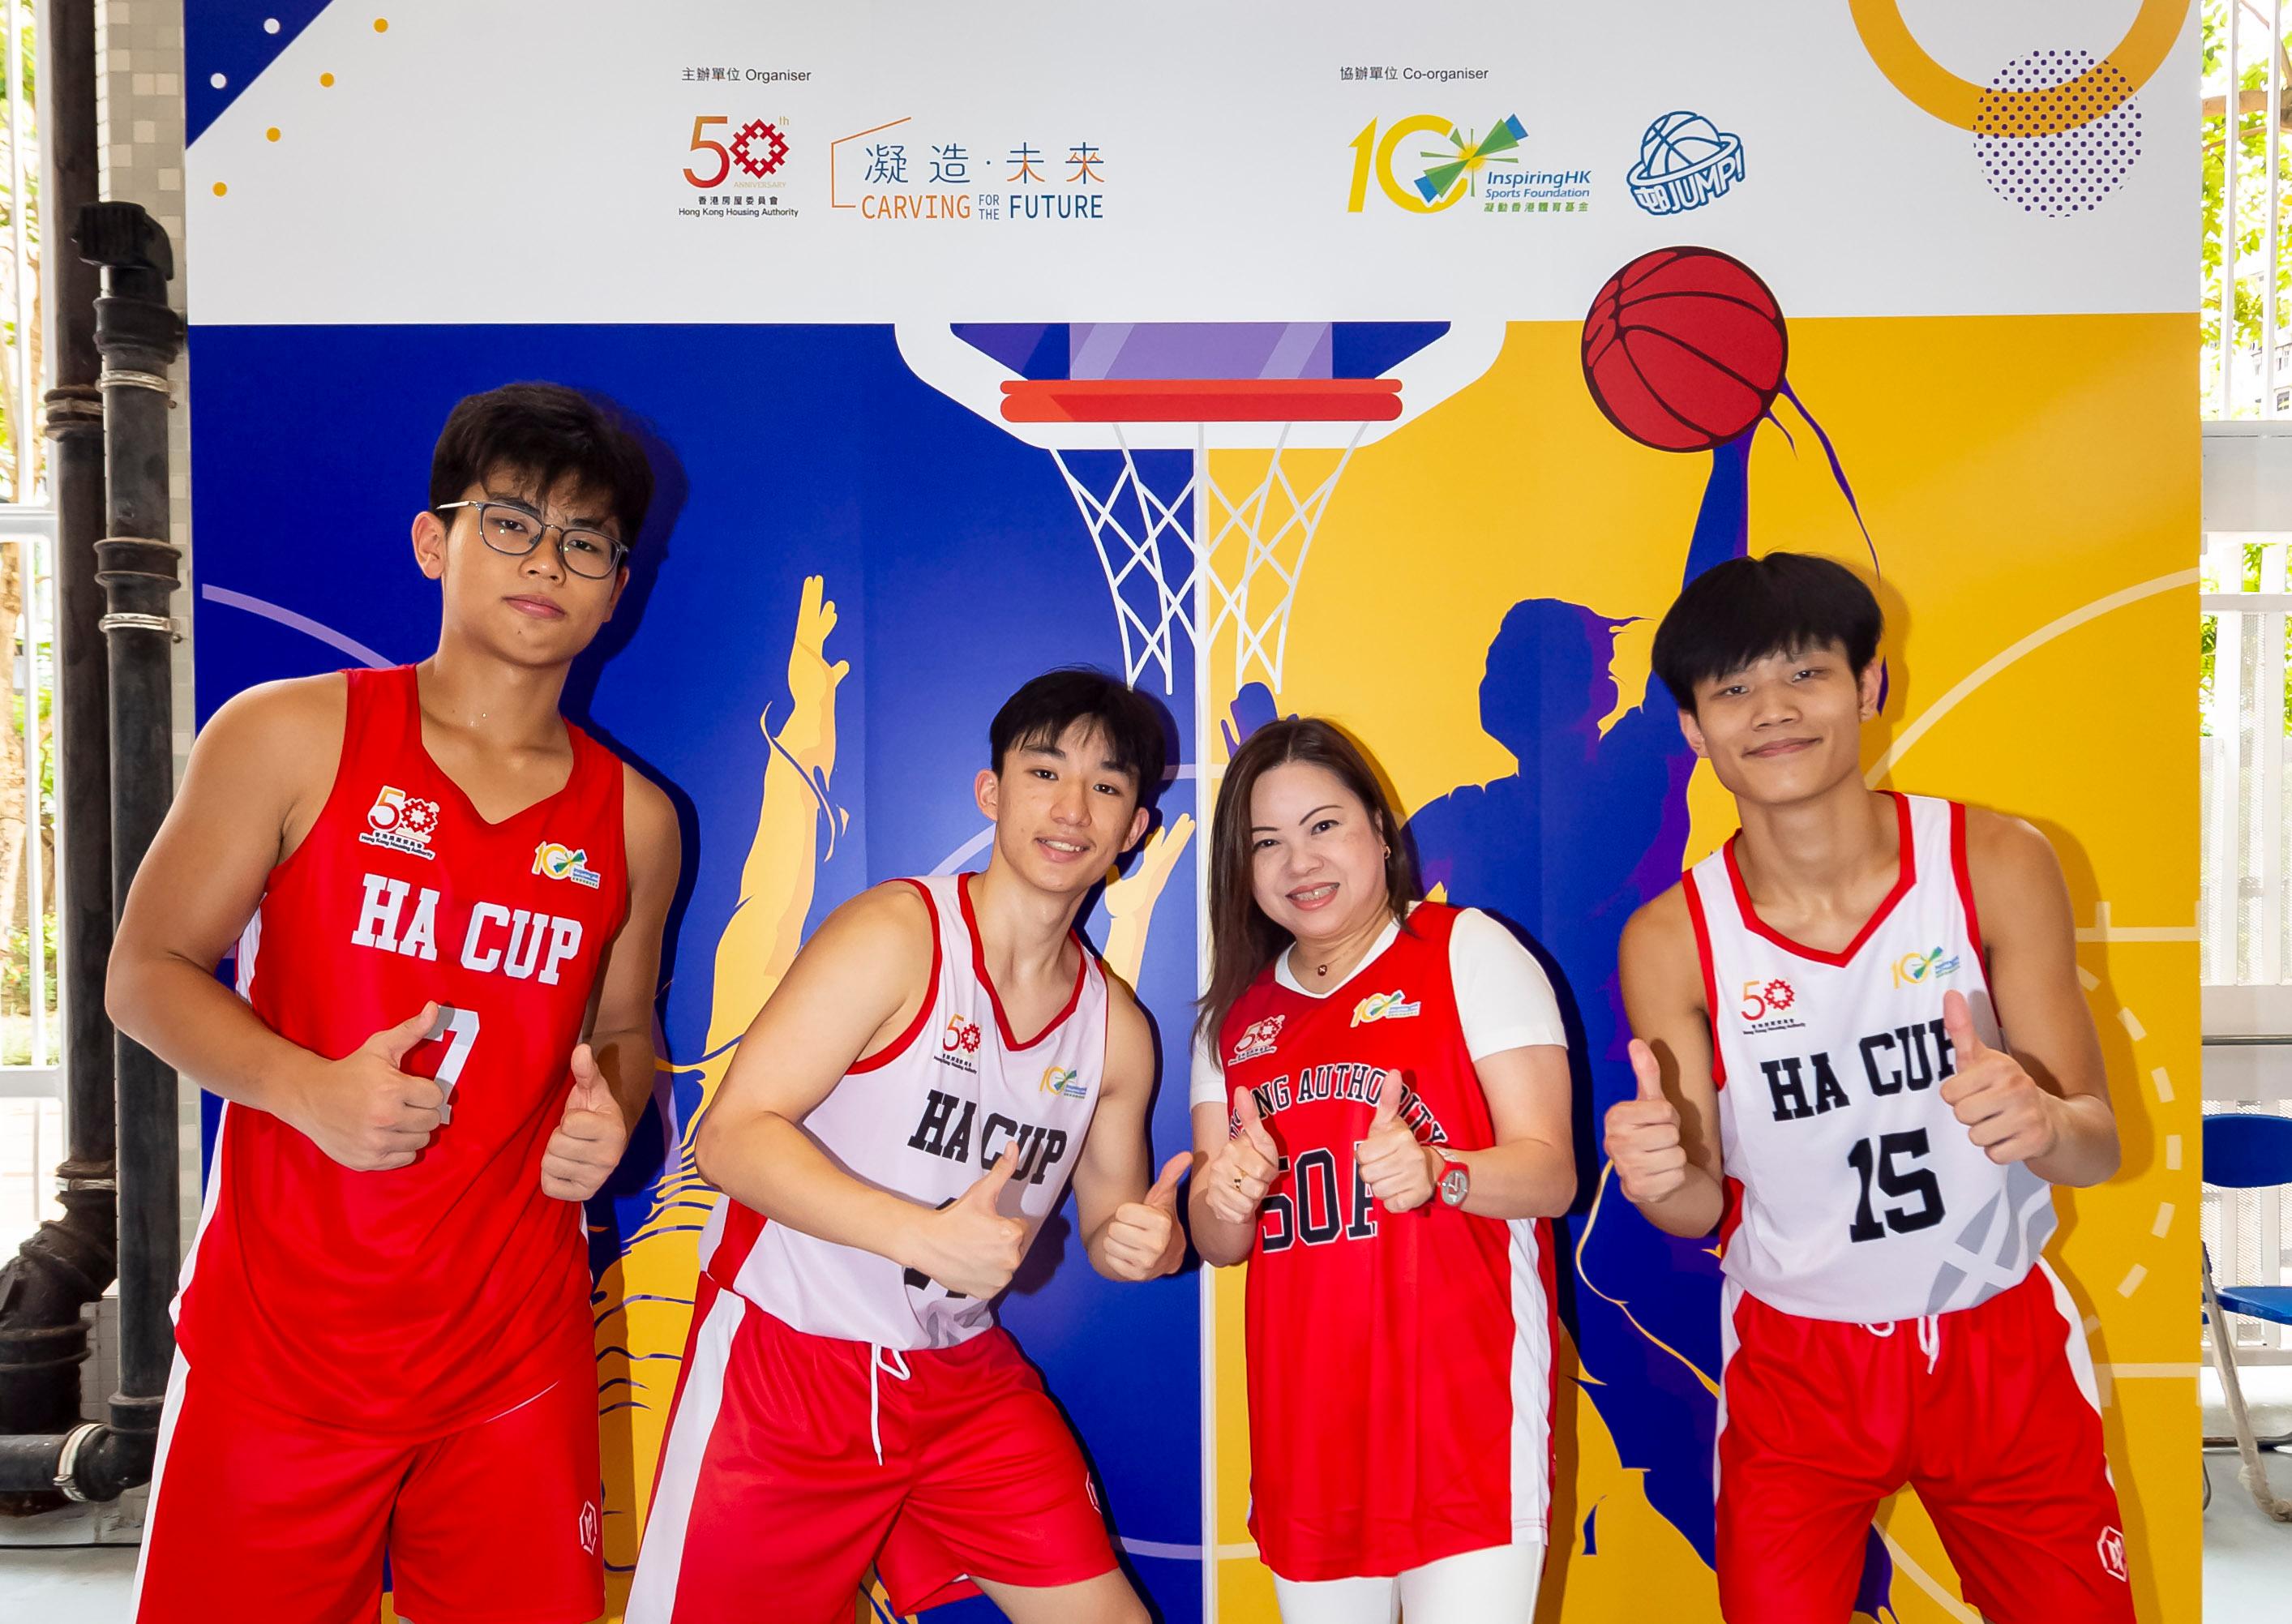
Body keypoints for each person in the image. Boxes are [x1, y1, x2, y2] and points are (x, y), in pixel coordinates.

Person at [107, 382, 683, 1623]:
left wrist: (615, 1110)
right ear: (436, 539)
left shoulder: (636, 819)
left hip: (511, 1356)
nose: (548, 563)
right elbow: (143, 971)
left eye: (586, 541)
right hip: (280, 1341)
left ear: (617, 583)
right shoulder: (288, 732)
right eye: (513, 521)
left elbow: (627, 1030)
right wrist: (307, 1088)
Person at [1604, 551, 2131, 1622]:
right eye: (1733, 690)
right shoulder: (1670, 937)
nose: (1772, 711)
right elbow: (1697, 1200)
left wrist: (2041, 1116)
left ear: (1869, 685)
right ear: (1693, 731)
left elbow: (2098, 1141)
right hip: (1796, 1366)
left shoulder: (1993, 858)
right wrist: (1657, 1179)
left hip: (1996, 1344)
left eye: (1803, 673)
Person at [628, 668, 1185, 1624]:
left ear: (1133, 828)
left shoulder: (1116, 1029)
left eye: (1106, 785)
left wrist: (1148, 1244)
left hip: (959, 1381)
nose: (1070, 807)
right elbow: (730, 1137)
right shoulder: (899, 931)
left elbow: (1113, 1223)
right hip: (786, 1366)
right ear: (991, 791)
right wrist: (922, 1235)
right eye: (1044, 770)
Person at [1190, 717, 1576, 1623]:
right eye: (1266, 842)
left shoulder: (1466, 949)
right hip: (1309, 1441)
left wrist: (1441, 1171)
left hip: (1463, 1428)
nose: (1299, 862)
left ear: (1377, 825)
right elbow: (1219, 1244)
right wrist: (1224, 1195)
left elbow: (1551, 1172)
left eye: (1323, 825)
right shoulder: (1234, 1018)